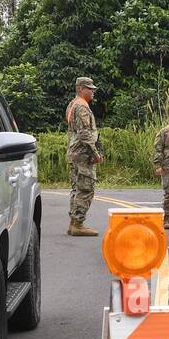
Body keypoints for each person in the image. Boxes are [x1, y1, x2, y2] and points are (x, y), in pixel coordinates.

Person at [66, 77, 103, 236]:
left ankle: (74, 223)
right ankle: (78, 224)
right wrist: (95, 154)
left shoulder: (72, 104)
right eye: (89, 88)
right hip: (82, 155)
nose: (93, 91)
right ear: (81, 89)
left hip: (75, 153)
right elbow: (84, 134)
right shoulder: (81, 107)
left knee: (77, 188)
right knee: (86, 189)